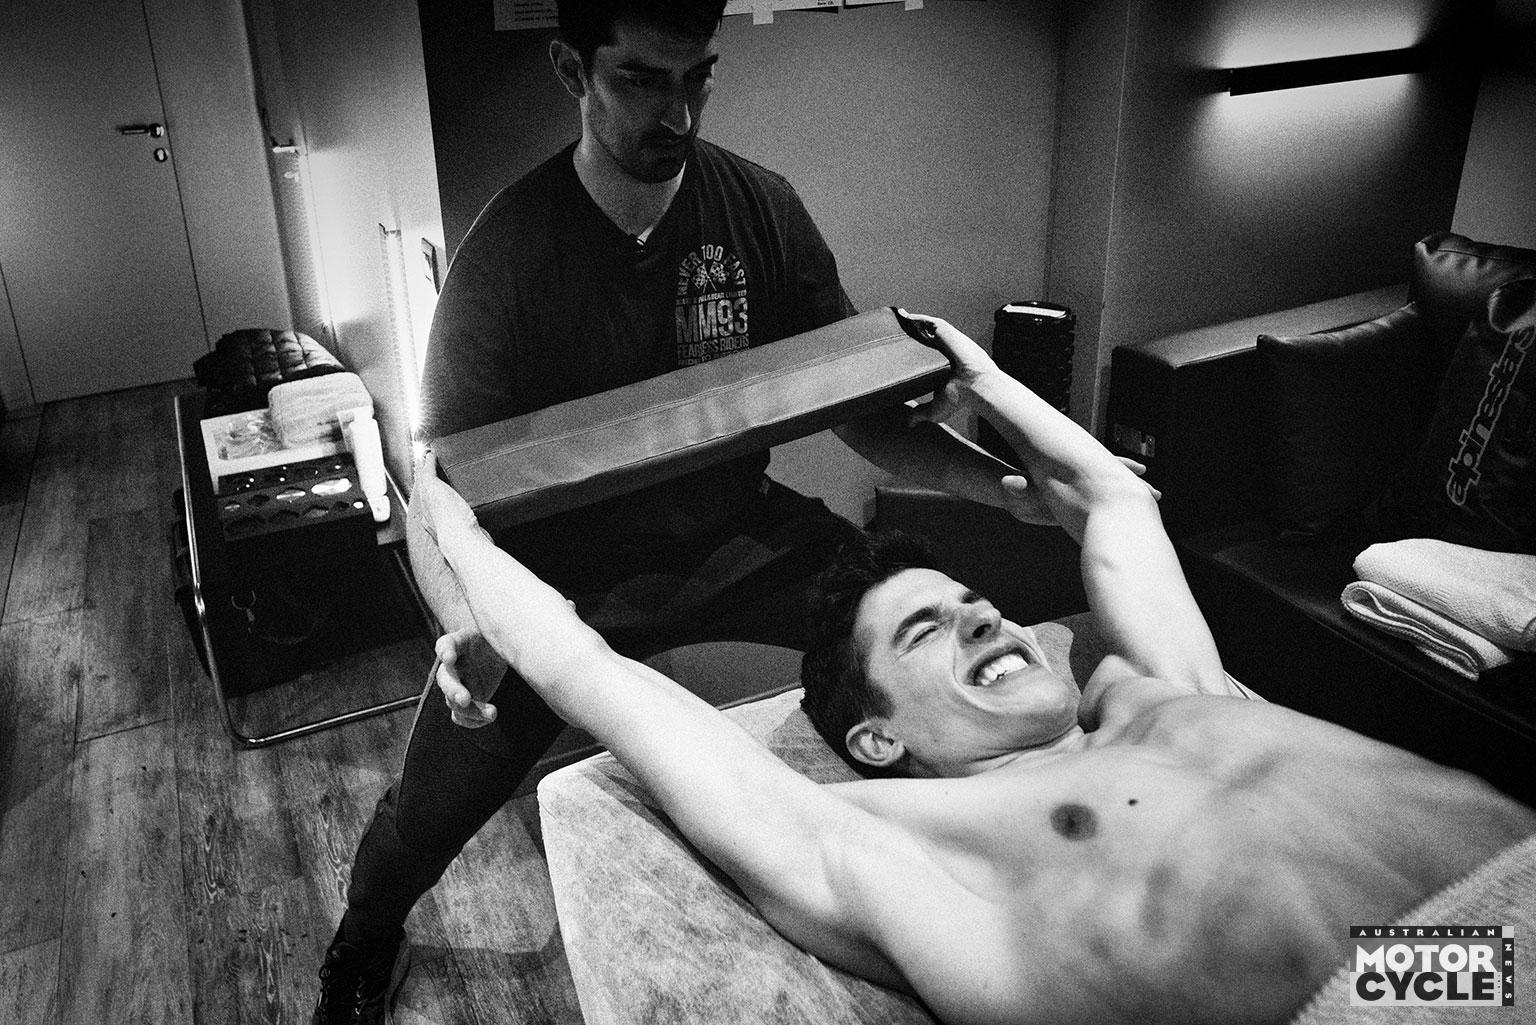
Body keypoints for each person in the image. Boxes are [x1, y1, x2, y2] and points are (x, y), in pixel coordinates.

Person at [416, 312, 1536, 1025]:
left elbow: (1110, 498)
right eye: (928, 631)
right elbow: (592, 669)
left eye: (973, 603)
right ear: (877, 737)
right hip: (1407, 1002)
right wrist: (452, 528)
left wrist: (982, 375)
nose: (984, 618)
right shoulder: (895, 839)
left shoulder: (1168, 693)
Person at [311, 3, 1045, 1021]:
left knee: (902, 631)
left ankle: (979, 863)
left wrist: (1007, 489)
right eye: (643, 80)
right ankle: (363, 937)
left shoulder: (760, 210)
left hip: (739, 536)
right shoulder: (509, 253)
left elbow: (861, 411)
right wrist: (465, 619)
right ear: (572, 68)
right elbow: (437, 485)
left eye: (697, 76)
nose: (681, 113)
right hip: (558, 578)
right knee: (430, 801)